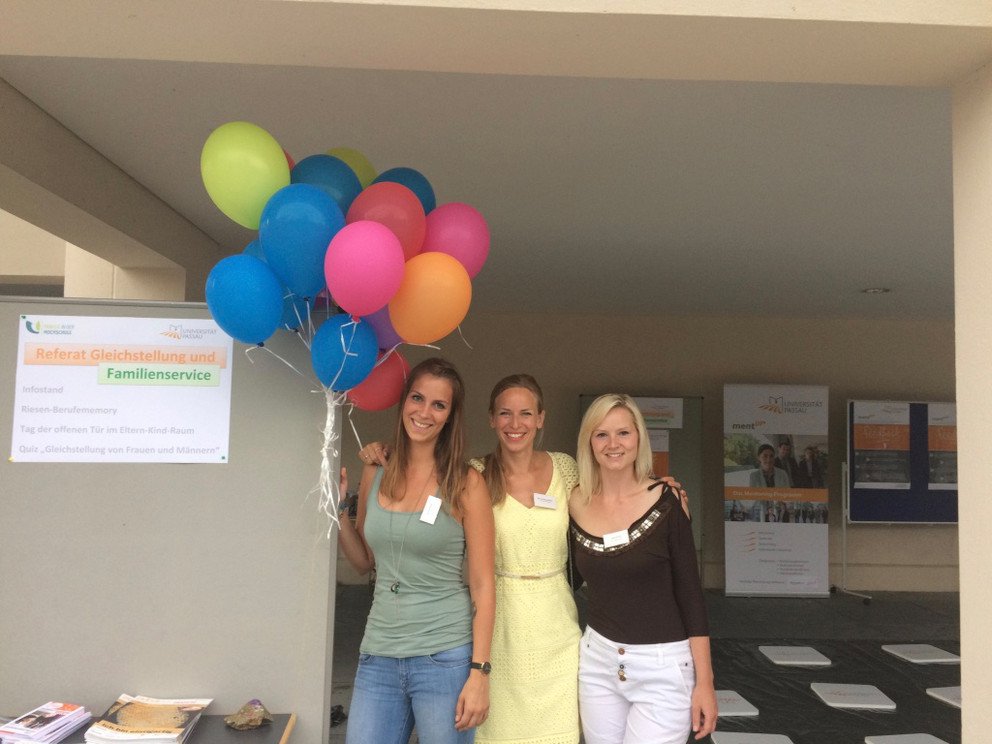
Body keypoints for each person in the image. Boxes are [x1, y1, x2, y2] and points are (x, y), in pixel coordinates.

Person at [359, 376, 690, 744]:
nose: (515, 424)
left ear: (541, 419)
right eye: (505, 413)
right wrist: (384, 452)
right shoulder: (473, 475)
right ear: (491, 419)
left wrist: (657, 484)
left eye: (526, 414)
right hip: (497, 626)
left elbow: (612, 488)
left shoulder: (566, 470)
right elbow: (421, 483)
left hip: (556, 628)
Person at [337, 357, 496, 744]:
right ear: (403, 402)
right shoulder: (377, 470)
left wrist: (479, 673)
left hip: (444, 657)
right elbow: (364, 563)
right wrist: (339, 509)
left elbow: (482, 584)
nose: (424, 412)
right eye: (417, 398)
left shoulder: (466, 483)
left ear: (450, 416)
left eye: (438, 405)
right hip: (378, 653)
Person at [568, 394, 716, 744]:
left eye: (623, 433)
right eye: (601, 434)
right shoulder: (575, 501)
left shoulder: (667, 501)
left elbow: (691, 596)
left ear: (639, 438)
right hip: (597, 662)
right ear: (589, 441)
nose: (613, 444)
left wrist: (705, 682)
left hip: (662, 669)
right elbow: (567, 578)